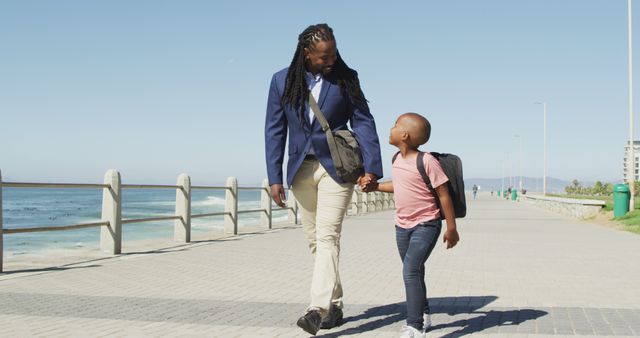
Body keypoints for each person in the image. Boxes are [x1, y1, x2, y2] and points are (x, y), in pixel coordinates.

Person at [264, 23, 383, 336]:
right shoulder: (282, 80)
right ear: (306, 53)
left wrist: (372, 168)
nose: (330, 60)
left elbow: (364, 122)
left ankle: (317, 308)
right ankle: (335, 303)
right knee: (316, 240)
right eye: (323, 56)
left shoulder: (346, 78)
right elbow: (275, 130)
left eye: (333, 53)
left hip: (337, 168)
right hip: (300, 169)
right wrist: (274, 176)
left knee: (328, 235)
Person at [360, 112, 459, 338]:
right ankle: (423, 313)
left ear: (404, 134)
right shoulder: (396, 158)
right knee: (416, 270)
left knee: (410, 270)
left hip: (426, 224)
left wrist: (451, 228)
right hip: (401, 226)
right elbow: (399, 185)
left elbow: (444, 195)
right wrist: (374, 187)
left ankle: (414, 326)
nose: (391, 128)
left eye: (395, 125)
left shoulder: (427, 161)